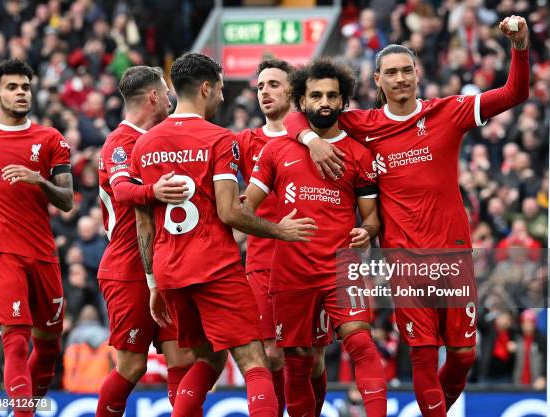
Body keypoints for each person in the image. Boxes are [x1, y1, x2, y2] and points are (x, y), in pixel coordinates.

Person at [283, 16, 530, 417]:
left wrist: (520, 47)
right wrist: (311, 140)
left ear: (418, 74)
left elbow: (515, 93)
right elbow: (299, 114)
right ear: (377, 79)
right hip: (403, 258)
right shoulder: (361, 124)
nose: (400, 78)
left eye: (407, 70)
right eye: (391, 73)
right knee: (423, 355)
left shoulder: (449, 112)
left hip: (453, 253)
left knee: (464, 354)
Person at [130, 53, 317, 417]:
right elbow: (230, 212)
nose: (222, 97)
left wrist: (153, 282)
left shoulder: (144, 145)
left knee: (208, 360)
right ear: (205, 88)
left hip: (169, 270)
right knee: (254, 360)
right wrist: (281, 230)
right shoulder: (220, 139)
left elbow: (144, 224)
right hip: (213, 265)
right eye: (219, 89)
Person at [245, 58, 387, 417]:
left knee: (360, 341)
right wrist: (277, 230)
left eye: (332, 96)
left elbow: (371, 218)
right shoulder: (276, 151)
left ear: (343, 101)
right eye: (316, 95)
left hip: (341, 264)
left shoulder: (359, 154)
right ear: (302, 101)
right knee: (296, 360)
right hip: (291, 269)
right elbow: (245, 207)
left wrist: (366, 231)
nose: (325, 102)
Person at [96, 65, 196, 417]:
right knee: (132, 366)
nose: (171, 100)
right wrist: (156, 191)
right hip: (128, 267)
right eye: (167, 93)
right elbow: (123, 191)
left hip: (167, 263)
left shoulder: (163, 140)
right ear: (154, 96)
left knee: (183, 357)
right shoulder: (120, 143)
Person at [0, 59, 74, 416]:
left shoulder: (51, 139)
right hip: (2, 252)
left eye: (25, 87)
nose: (21, 93)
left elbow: (66, 201)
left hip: (43, 253)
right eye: (12, 87)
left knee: (48, 347)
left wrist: (40, 181)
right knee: (15, 341)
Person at [236, 59, 330, 417]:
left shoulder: (318, 138)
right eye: (260, 86)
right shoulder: (245, 142)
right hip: (263, 262)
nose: (264, 92)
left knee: (312, 357)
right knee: (273, 353)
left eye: (273, 84)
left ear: (293, 90)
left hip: (312, 259)